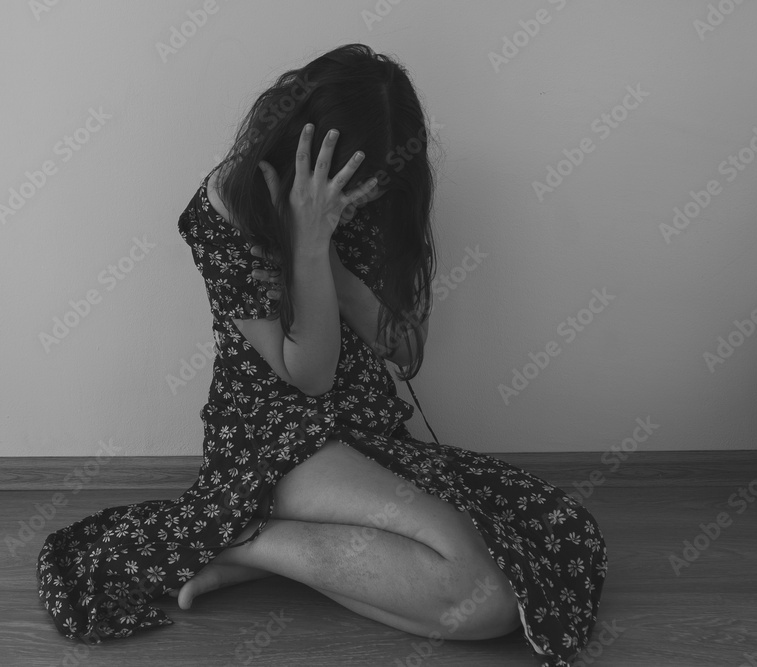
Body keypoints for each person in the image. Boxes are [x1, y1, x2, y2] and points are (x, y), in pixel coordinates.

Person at [37, 43, 607, 667]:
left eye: (372, 189)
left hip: (366, 427)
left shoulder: (380, 196)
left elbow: (407, 350)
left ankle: (246, 549)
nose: (360, 201)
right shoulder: (230, 207)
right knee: (485, 598)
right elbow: (308, 376)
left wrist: (327, 252)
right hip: (274, 439)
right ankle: (243, 534)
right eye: (352, 189)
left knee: (559, 530)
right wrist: (304, 247)